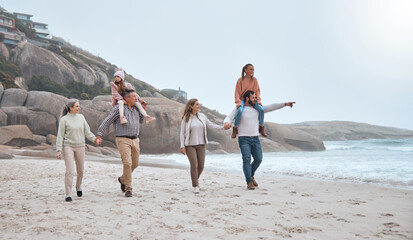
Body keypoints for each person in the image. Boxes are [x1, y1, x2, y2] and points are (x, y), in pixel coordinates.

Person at [224, 90, 295, 190]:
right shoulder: (240, 108)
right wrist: (226, 123)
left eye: (255, 98)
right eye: (253, 98)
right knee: (246, 159)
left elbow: (271, 107)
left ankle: (251, 175)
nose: (255, 99)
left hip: (255, 138)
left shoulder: (257, 108)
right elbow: (229, 117)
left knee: (258, 159)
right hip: (243, 139)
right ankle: (249, 182)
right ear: (247, 98)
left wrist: (284, 104)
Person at [96, 89, 144, 197]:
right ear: (126, 98)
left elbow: (141, 121)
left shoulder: (137, 109)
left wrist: (143, 108)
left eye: (136, 96)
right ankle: (128, 189)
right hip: (122, 139)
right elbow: (108, 120)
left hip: (135, 139)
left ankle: (122, 179)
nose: (135, 98)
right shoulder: (119, 108)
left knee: (135, 164)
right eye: (133, 97)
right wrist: (99, 133)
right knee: (127, 163)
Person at [180, 99, 228, 194]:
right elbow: (182, 133)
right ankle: (195, 185)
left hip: (201, 144)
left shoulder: (202, 117)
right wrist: (182, 146)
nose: (199, 106)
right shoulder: (186, 118)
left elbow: (212, 126)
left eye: (198, 104)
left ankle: (195, 180)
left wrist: (223, 127)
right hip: (190, 145)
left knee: (201, 166)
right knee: (194, 165)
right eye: (197, 104)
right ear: (191, 106)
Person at [56, 99, 98, 202]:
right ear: (71, 108)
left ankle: (78, 186)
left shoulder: (81, 117)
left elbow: (87, 132)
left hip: (80, 146)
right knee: (70, 171)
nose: (79, 108)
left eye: (79, 106)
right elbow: (60, 135)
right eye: (77, 106)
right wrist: (58, 150)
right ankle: (68, 194)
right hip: (68, 146)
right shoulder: (64, 120)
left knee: (81, 170)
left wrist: (94, 139)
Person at [233, 63, 266, 139]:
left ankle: (261, 127)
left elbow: (257, 91)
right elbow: (237, 92)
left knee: (261, 109)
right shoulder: (240, 80)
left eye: (253, 69)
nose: (252, 71)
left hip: (252, 99)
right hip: (242, 99)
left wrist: (258, 100)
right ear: (245, 70)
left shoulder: (254, 80)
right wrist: (238, 102)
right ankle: (235, 128)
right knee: (240, 110)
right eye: (250, 69)